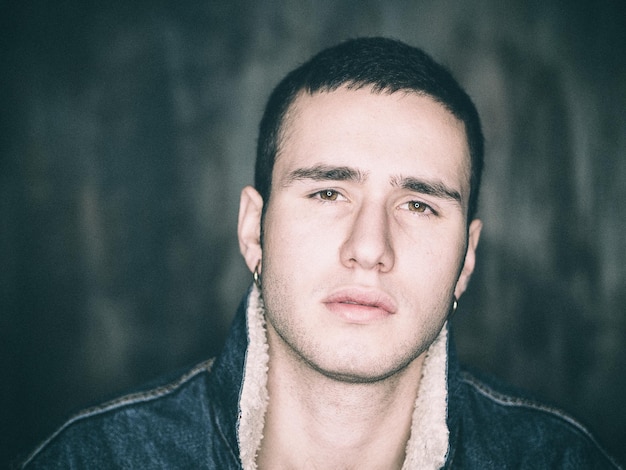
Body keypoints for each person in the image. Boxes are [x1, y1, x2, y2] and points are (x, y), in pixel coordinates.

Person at [22, 37, 618, 469]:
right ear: (254, 229)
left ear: (466, 260)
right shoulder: (95, 458)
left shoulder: (561, 459)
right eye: (329, 191)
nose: (369, 249)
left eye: (419, 204)